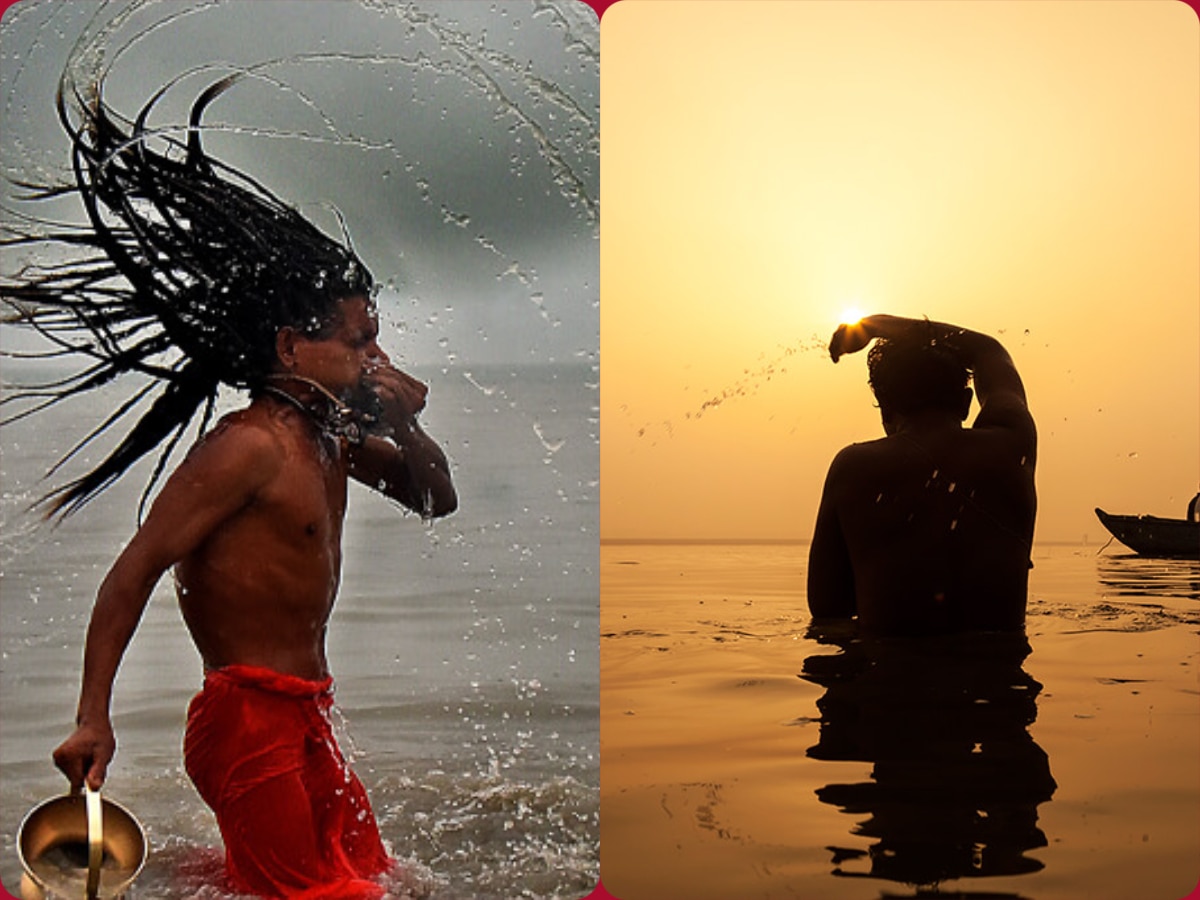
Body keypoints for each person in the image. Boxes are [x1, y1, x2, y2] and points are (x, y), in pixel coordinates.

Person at [3, 71, 455, 899]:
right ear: (291, 346)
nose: (376, 362)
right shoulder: (247, 448)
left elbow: (436, 500)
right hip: (245, 720)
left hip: (307, 712)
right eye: (359, 345)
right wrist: (93, 716)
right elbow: (132, 570)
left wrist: (407, 427)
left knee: (377, 877)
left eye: (377, 344)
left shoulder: (332, 435)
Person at [807, 314, 1036, 636]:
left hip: (888, 678)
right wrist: (875, 324)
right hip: (999, 677)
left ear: (885, 409)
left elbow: (828, 608)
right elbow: (988, 350)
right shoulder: (1011, 446)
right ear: (966, 402)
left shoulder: (855, 467)